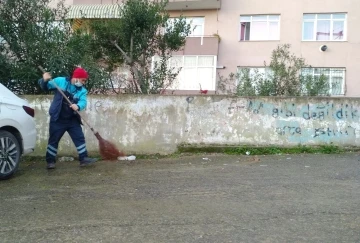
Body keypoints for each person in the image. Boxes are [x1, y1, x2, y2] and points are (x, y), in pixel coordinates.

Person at [39, 67, 98, 169]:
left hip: (72, 119)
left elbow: (83, 102)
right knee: (53, 140)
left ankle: (83, 159)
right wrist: (44, 80)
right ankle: (50, 162)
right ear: (76, 78)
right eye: (83, 80)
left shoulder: (82, 91)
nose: (83, 83)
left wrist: (78, 106)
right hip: (57, 118)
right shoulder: (60, 81)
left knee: (79, 138)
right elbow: (45, 87)